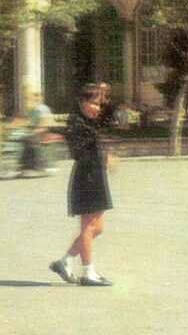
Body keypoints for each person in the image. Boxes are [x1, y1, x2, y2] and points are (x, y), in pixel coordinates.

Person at [49, 84, 114, 286]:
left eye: (99, 104)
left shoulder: (89, 120)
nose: (97, 108)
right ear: (82, 102)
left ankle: (65, 261)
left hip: (96, 174)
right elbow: (80, 148)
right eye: (93, 103)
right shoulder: (77, 123)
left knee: (98, 227)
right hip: (86, 176)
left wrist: (106, 95)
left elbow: (108, 116)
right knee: (88, 226)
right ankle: (88, 272)